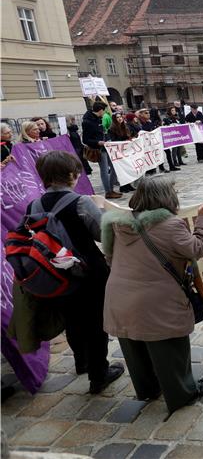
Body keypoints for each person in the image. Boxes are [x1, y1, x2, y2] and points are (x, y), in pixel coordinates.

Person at [102, 175, 203, 414]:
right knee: (170, 349)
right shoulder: (171, 225)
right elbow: (197, 248)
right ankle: (182, 393)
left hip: (119, 296)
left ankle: (148, 389)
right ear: (166, 198)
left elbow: (109, 257)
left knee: (134, 347)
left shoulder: (118, 222)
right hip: (156, 302)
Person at [28, 151, 125, 392]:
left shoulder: (34, 204)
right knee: (95, 322)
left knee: (71, 319)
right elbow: (103, 235)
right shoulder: (81, 202)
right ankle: (99, 374)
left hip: (54, 274)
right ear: (71, 175)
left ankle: (81, 361)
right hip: (87, 272)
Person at [83, 102, 122, 199]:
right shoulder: (87, 122)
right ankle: (108, 191)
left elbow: (104, 131)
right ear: (100, 110)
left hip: (107, 147)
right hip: (99, 149)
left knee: (114, 167)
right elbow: (85, 140)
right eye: (104, 110)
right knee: (104, 170)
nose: (105, 112)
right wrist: (98, 142)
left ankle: (111, 188)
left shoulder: (99, 119)